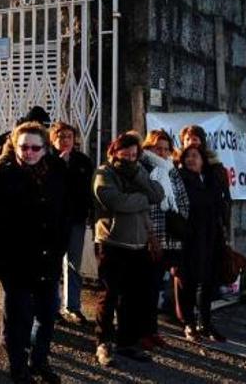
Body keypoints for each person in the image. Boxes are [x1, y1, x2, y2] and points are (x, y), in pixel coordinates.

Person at [0, 122, 70, 384]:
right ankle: (18, 366)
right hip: (17, 261)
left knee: (47, 315)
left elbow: (66, 213)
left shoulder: (57, 172)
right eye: (24, 147)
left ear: (45, 148)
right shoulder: (5, 176)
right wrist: (0, 261)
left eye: (36, 147)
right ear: (15, 146)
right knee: (19, 318)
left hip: (49, 259)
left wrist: (60, 246)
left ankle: (40, 360)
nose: (30, 152)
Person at [92, 132, 164, 366]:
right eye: (126, 154)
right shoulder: (104, 173)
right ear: (114, 151)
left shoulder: (138, 171)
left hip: (139, 243)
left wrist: (140, 178)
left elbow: (157, 194)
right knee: (109, 294)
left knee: (133, 297)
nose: (130, 158)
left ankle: (127, 342)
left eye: (134, 154)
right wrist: (141, 199)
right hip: (113, 243)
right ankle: (103, 342)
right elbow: (116, 202)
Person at [140, 130, 190, 348]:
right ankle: (141, 332)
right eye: (156, 147)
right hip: (146, 236)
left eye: (165, 148)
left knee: (156, 284)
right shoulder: (143, 168)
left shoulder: (172, 170)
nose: (161, 152)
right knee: (144, 287)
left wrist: (180, 218)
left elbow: (182, 198)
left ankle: (152, 330)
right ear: (148, 148)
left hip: (168, 237)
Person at [176, 144, 227, 343]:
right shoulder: (181, 178)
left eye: (195, 156)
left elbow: (219, 204)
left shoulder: (211, 178)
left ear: (203, 159)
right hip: (190, 237)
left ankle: (205, 322)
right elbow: (193, 204)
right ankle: (189, 323)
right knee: (188, 281)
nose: (191, 159)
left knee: (207, 282)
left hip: (211, 236)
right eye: (187, 156)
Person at [48, 122, 94, 325]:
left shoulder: (83, 161)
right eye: (60, 136)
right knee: (53, 265)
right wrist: (59, 164)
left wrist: (89, 214)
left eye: (68, 136)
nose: (65, 140)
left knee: (74, 264)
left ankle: (73, 306)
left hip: (75, 219)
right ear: (53, 138)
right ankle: (52, 307)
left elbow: (87, 191)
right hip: (53, 221)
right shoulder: (47, 159)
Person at [178, 125, 231, 231]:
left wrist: (224, 222)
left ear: (202, 141)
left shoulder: (216, 167)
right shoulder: (176, 167)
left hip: (212, 222)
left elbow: (225, 197)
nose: (191, 142)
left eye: (195, 139)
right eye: (187, 139)